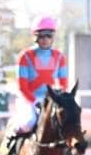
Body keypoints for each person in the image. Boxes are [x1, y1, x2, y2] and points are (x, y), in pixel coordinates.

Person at [7, 15, 68, 147]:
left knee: (66, 122)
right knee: (28, 123)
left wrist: (59, 99)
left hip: (50, 100)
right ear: (35, 37)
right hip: (28, 100)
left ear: (53, 37)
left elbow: (63, 83)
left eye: (48, 36)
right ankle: (11, 137)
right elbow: (22, 86)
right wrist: (35, 101)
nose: (45, 39)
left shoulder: (59, 57)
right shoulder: (25, 56)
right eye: (41, 36)